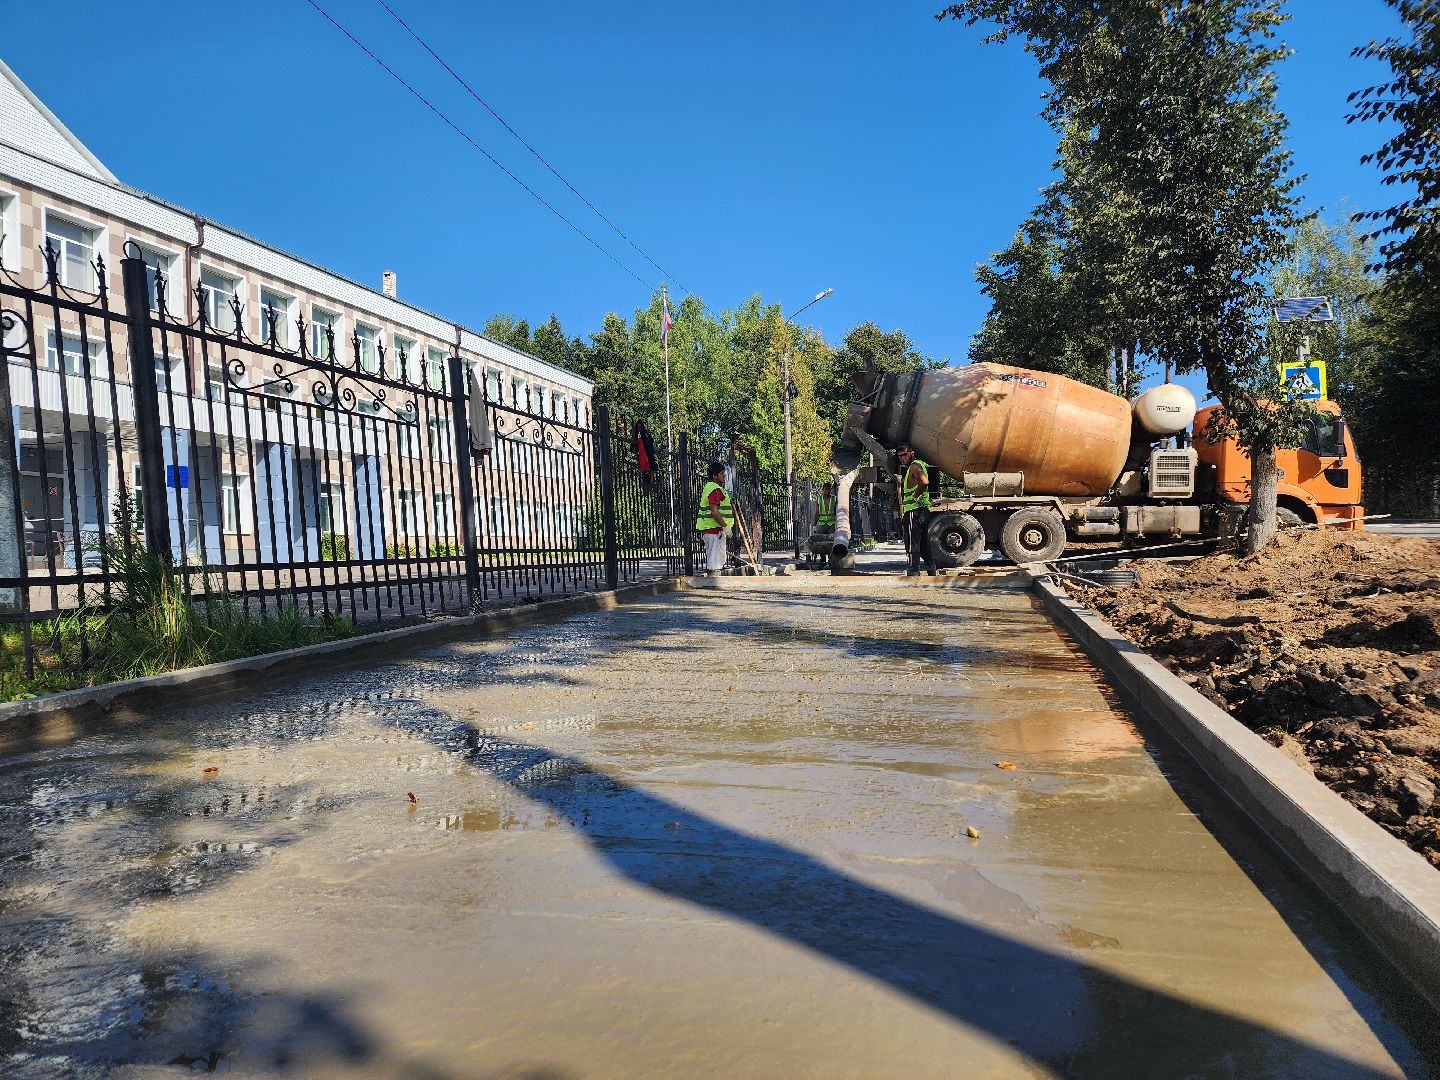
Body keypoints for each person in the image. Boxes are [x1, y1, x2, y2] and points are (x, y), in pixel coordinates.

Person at [897, 442, 936, 577]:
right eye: (900, 456)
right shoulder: (917, 466)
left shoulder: (914, 466)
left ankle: (913, 570)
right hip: (922, 511)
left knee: (912, 542)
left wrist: (915, 496)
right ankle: (931, 568)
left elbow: (924, 482)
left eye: (905, 454)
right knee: (924, 543)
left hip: (914, 511)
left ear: (912, 453)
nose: (903, 458)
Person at [696, 461, 733, 575]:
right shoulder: (714, 489)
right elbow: (714, 511)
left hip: (715, 529)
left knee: (717, 558)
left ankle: (714, 578)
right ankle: (713, 580)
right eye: (722, 473)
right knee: (715, 561)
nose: (724, 476)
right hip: (714, 529)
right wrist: (725, 527)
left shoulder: (712, 488)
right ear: (714, 476)